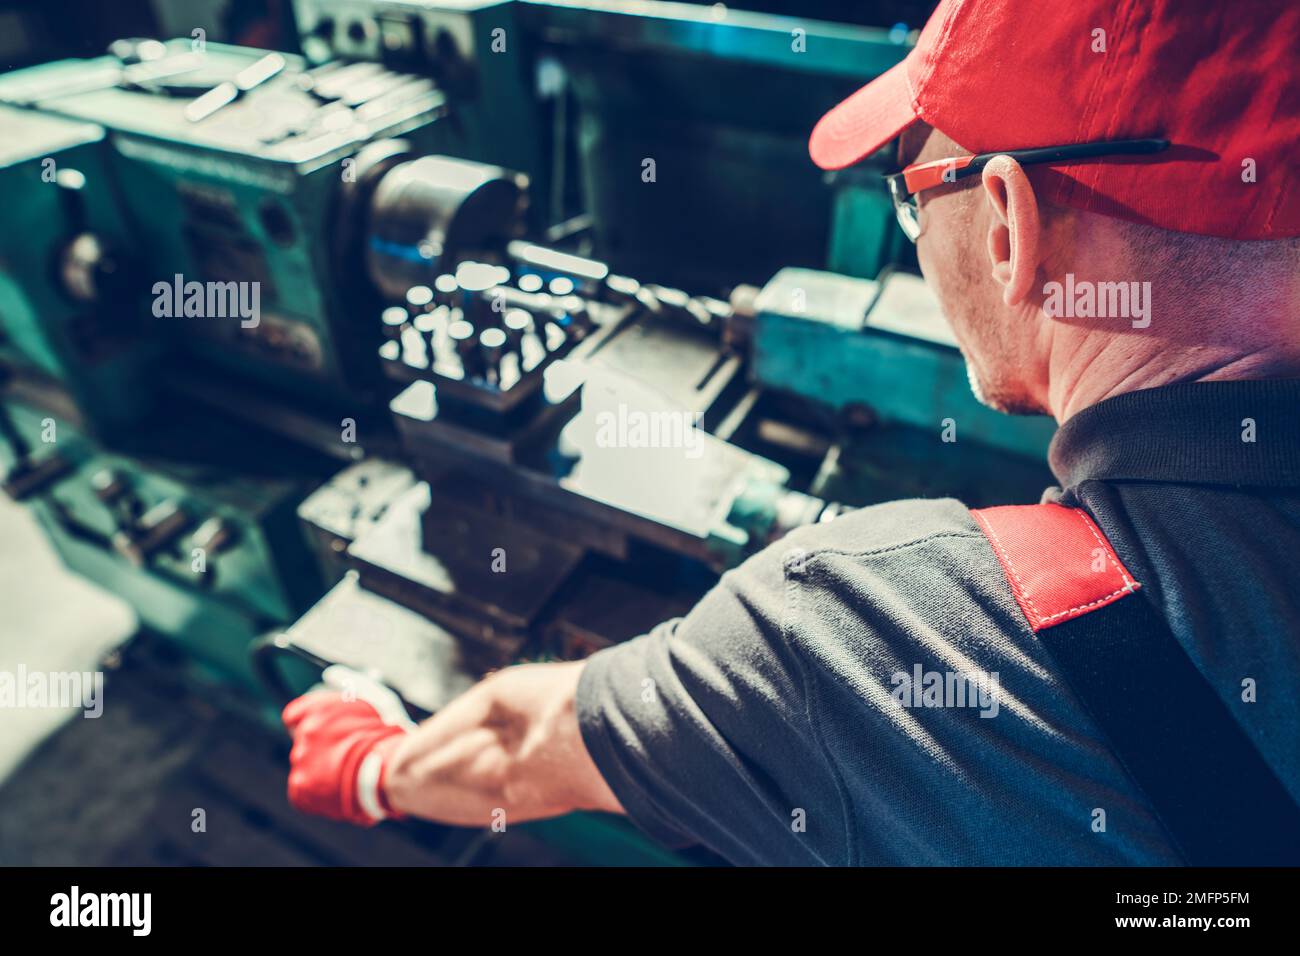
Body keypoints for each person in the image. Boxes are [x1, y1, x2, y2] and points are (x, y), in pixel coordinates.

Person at [282, 0, 1300, 864]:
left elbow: (522, 739)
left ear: (1007, 222)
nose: (915, 230)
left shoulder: (858, 625)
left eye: (911, 193)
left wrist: (372, 765)